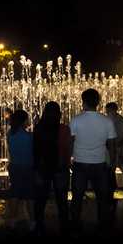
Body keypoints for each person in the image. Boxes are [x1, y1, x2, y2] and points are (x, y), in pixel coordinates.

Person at [69, 89, 117, 234]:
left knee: (77, 197)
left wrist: (69, 158)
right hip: (100, 164)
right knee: (102, 198)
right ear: (98, 102)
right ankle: (103, 226)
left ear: (83, 101)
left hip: (80, 164)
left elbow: (70, 142)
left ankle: (75, 225)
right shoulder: (106, 121)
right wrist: (113, 163)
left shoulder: (76, 120)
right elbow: (112, 145)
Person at [33, 101, 71, 236]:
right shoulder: (64, 129)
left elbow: (35, 150)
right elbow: (68, 149)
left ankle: (39, 226)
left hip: (42, 168)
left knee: (41, 199)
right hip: (60, 168)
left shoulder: (38, 128)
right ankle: (65, 226)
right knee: (62, 200)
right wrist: (67, 163)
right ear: (59, 114)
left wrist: (36, 167)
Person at [6, 109, 35, 231]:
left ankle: (12, 219)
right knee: (29, 195)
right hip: (28, 167)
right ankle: (32, 221)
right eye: (27, 119)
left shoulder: (10, 135)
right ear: (23, 121)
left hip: (14, 166)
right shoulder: (29, 136)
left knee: (15, 193)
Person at [105, 102, 123, 188]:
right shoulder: (107, 119)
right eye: (107, 110)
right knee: (111, 165)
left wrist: (120, 142)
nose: (108, 112)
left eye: (109, 110)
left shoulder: (121, 119)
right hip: (111, 146)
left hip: (119, 146)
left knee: (122, 164)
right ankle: (112, 183)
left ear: (115, 110)